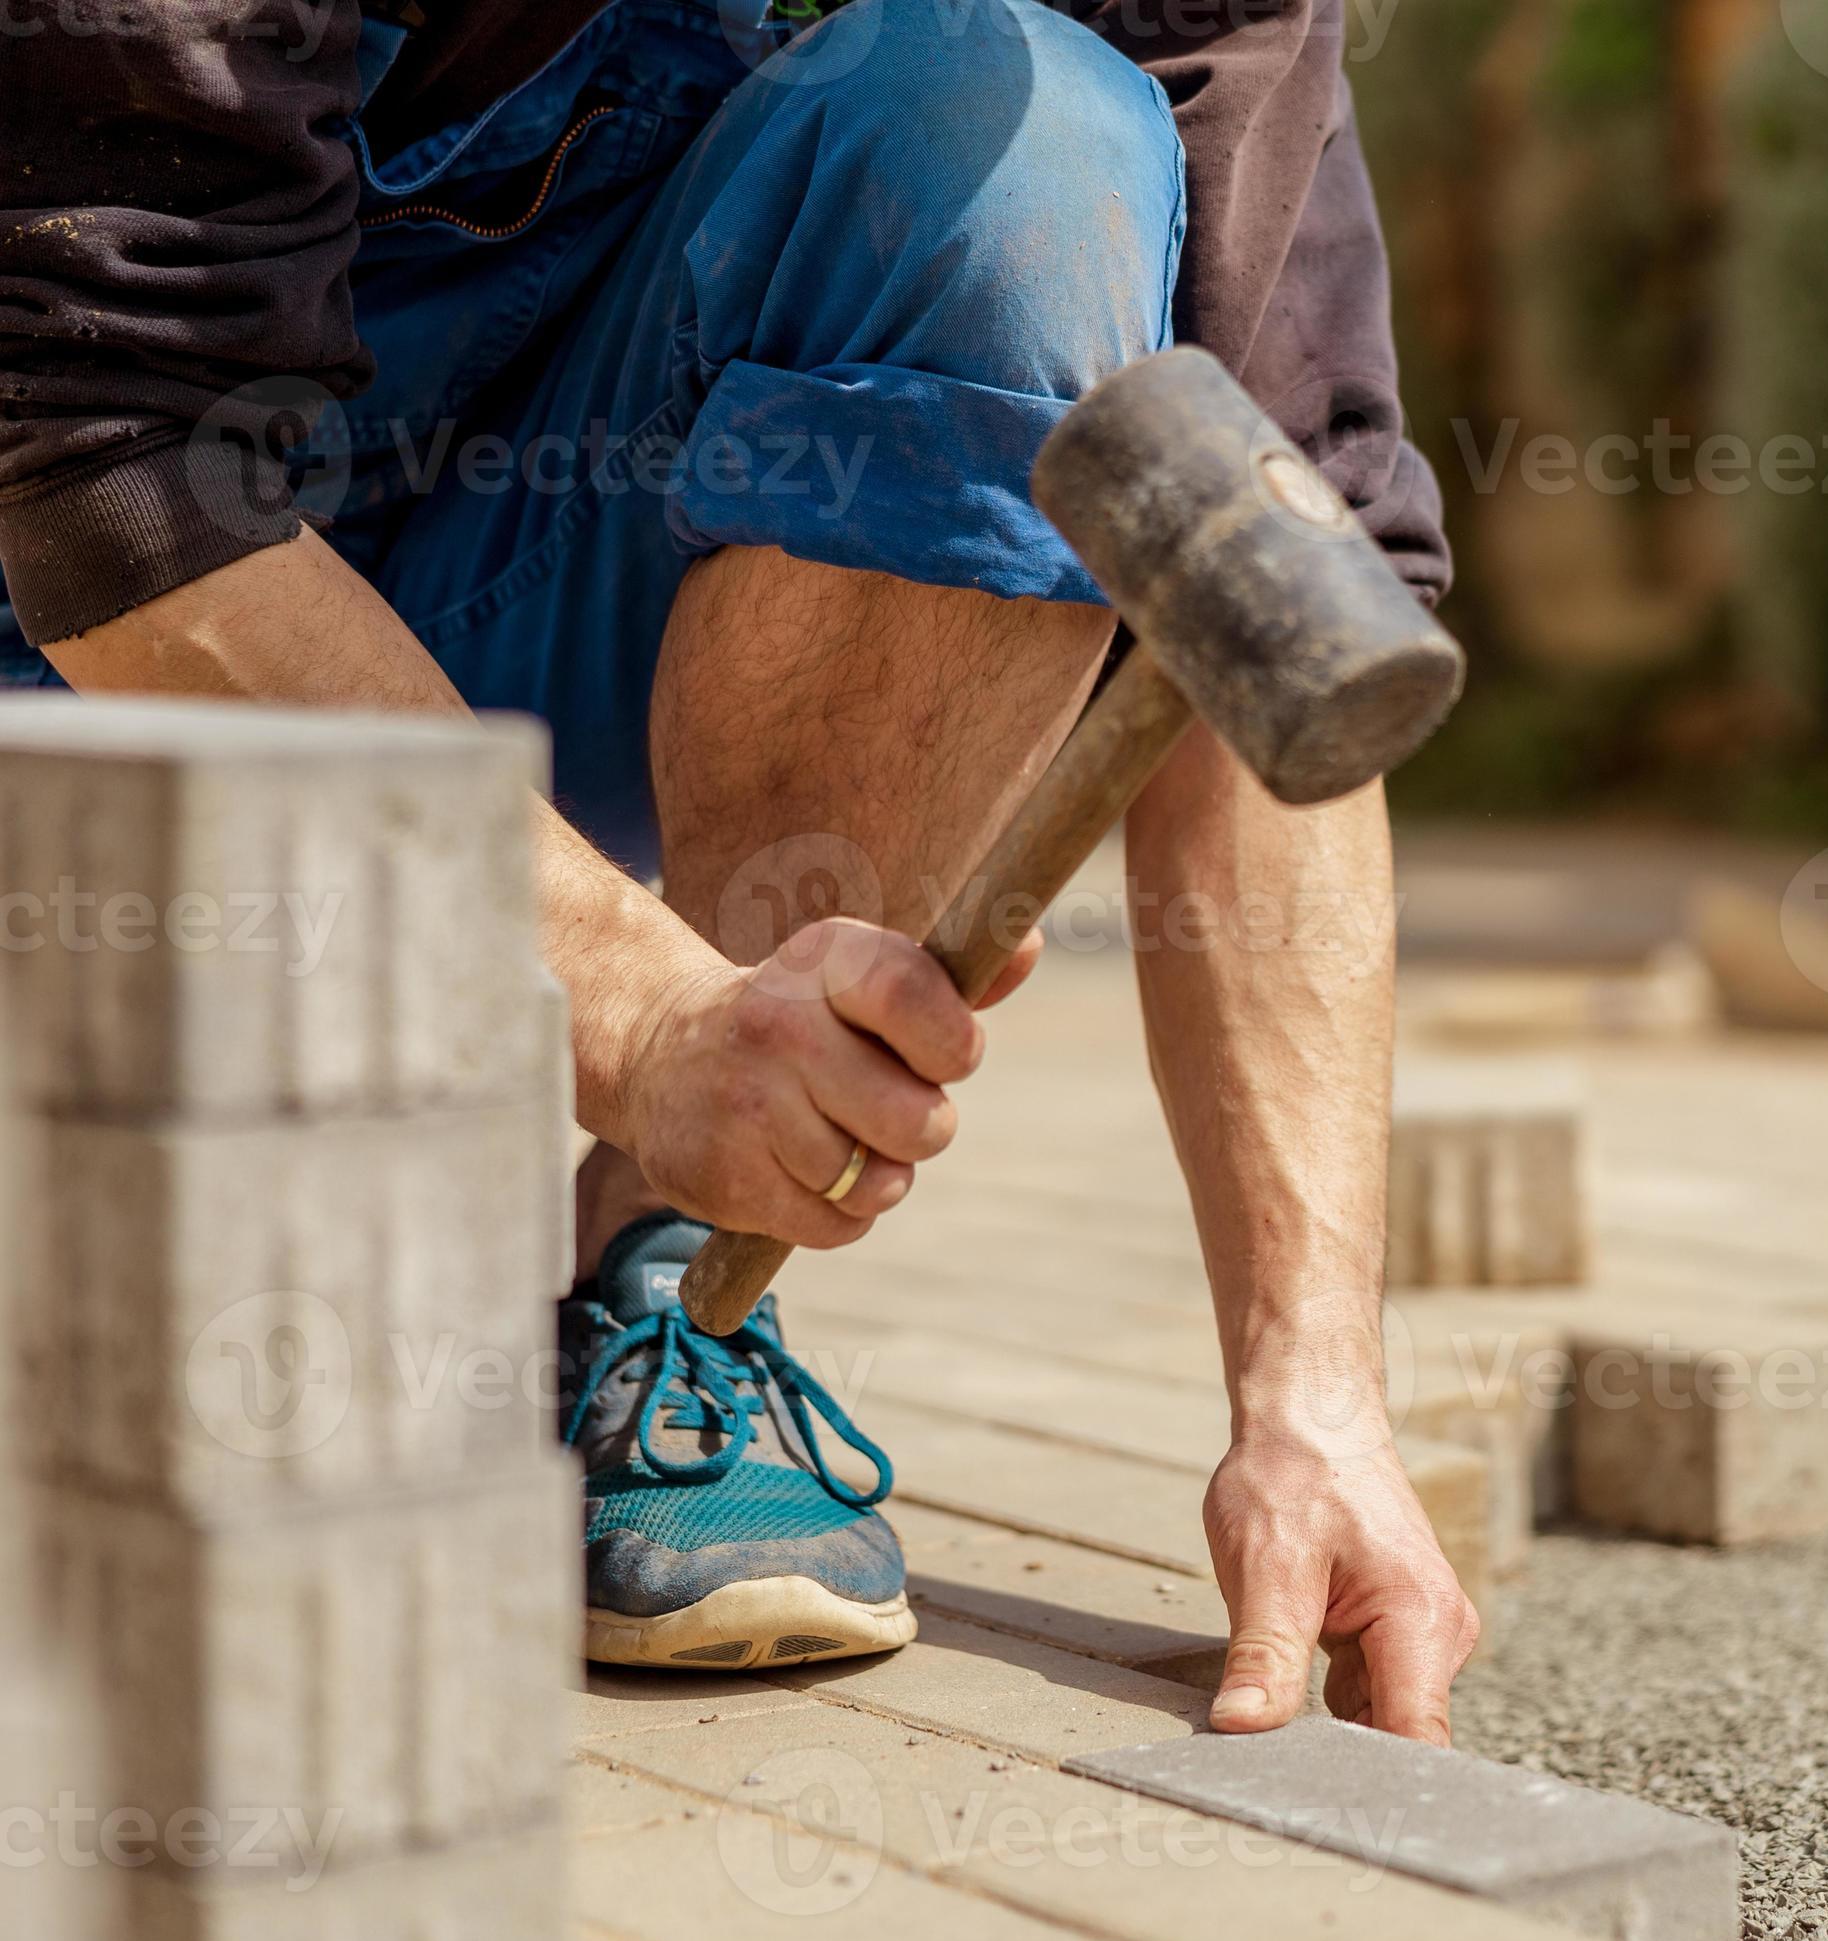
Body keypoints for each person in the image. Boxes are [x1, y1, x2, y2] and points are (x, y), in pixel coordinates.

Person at [3, 0, 1477, 1743]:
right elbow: (105, 463)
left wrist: (1312, 1398)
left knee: (1018, 132)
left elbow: (1249, 559)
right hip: (83, 663)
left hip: (496, 590)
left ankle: (664, 1290)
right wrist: (639, 1011)